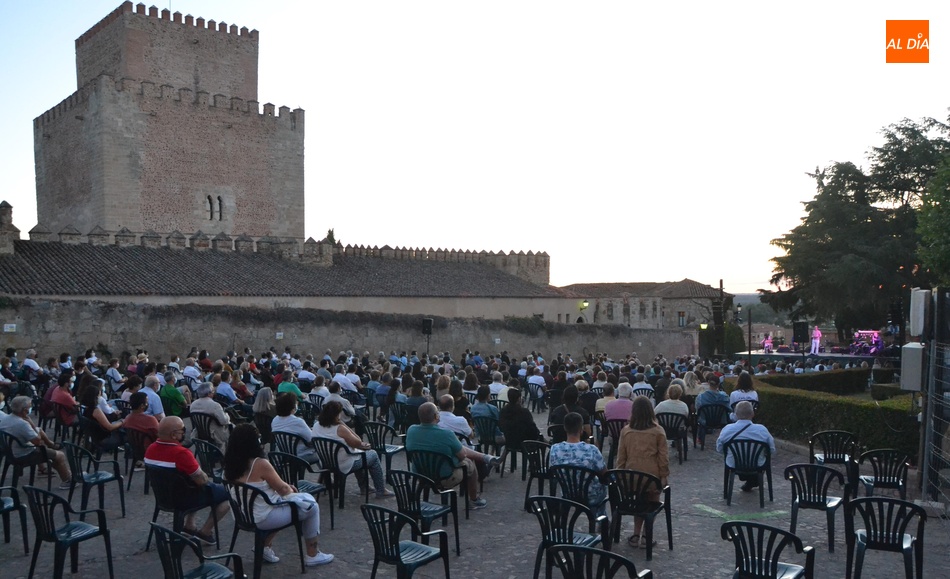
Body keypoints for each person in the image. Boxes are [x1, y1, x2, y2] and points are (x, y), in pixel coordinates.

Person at [221, 423, 333, 566]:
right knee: (311, 507)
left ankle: (264, 547)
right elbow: (283, 490)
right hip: (263, 517)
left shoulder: (229, 464)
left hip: (243, 514)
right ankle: (313, 554)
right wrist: (291, 489)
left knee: (281, 503)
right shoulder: (260, 464)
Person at [144, 416, 230, 545]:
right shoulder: (181, 453)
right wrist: (205, 475)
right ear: (173, 435)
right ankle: (205, 532)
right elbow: (201, 480)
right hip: (183, 498)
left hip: (163, 497)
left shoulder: (150, 449)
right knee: (228, 494)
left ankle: (190, 526)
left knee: (190, 482)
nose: (185, 432)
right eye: (182, 430)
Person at [405, 402, 500, 510]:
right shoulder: (446, 434)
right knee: (470, 463)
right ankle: (474, 499)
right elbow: (462, 456)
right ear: (436, 416)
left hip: (421, 474)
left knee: (459, 451)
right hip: (444, 477)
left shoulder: (411, 430)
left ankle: (484, 457)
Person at [616, 396, 670, 548]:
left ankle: (635, 533)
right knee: (651, 501)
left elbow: (621, 457)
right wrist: (664, 476)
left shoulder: (626, 431)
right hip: (651, 477)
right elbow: (663, 458)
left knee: (638, 501)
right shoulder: (658, 431)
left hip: (631, 478)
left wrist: (621, 477)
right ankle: (647, 534)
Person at [311, 401, 394, 499]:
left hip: (325, 461)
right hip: (343, 464)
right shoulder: (340, 428)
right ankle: (380, 490)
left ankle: (365, 487)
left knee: (358, 454)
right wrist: (344, 425)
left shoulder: (316, 425)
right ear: (337, 414)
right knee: (372, 455)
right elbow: (358, 441)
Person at [0, 395, 73, 489]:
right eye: (30, 406)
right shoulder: (22, 424)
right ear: (25, 410)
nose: (31, 408)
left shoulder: (6, 418)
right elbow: (37, 441)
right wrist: (31, 424)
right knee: (60, 455)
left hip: (10, 452)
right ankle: (67, 480)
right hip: (23, 454)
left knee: (50, 452)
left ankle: (62, 470)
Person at [549, 412, 607, 513]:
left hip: (567, 493)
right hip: (590, 495)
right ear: (581, 429)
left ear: (565, 428)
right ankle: (600, 519)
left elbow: (552, 471)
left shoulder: (555, 449)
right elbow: (604, 473)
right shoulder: (592, 450)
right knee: (604, 488)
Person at [716, 401, 775, 492]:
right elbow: (771, 450)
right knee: (760, 460)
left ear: (735, 414)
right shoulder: (762, 430)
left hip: (734, 464)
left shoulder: (727, 429)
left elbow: (719, 448)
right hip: (757, 465)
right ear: (752, 414)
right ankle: (753, 481)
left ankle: (747, 482)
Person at [78, 378, 126, 454]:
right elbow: (110, 427)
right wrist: (122, 421)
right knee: (126, 434)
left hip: (95, 435)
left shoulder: (86, 408)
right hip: (103, 437)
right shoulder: (96, 410)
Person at [270, 393, 318, 464]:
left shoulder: (275, 420)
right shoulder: (297, 421)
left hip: (284, 454)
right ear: (291, 407)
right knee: (324, 454)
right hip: (301, 455)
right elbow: (311, 439)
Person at [190, 382, 231, 451]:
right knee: (232, 427)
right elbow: (224, 421)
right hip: (214, 433)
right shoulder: (215, 405)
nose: (213, 393)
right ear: (209, 394)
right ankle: (225, 453)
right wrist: (227, 415)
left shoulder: (193, 404)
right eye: (212, 391)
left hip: (200, 432)